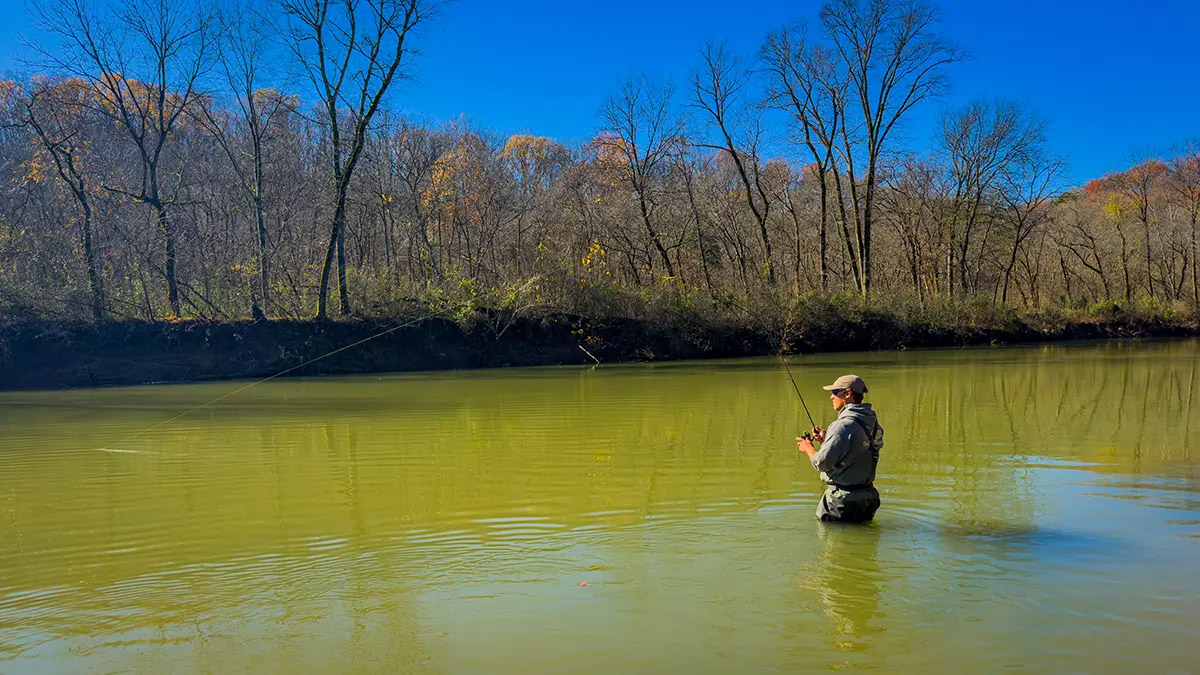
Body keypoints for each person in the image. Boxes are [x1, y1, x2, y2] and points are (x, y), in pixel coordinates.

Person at [796, 374, 883, 523]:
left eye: (835, 392)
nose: (831, 397)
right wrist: (826, 439)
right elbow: (857, 452)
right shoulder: (872, 422)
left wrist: (808, 448)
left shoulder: (842, 426)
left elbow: (821, 463)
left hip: (841, 503)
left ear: (847, 393)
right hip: (867, 499)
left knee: (834, 544)